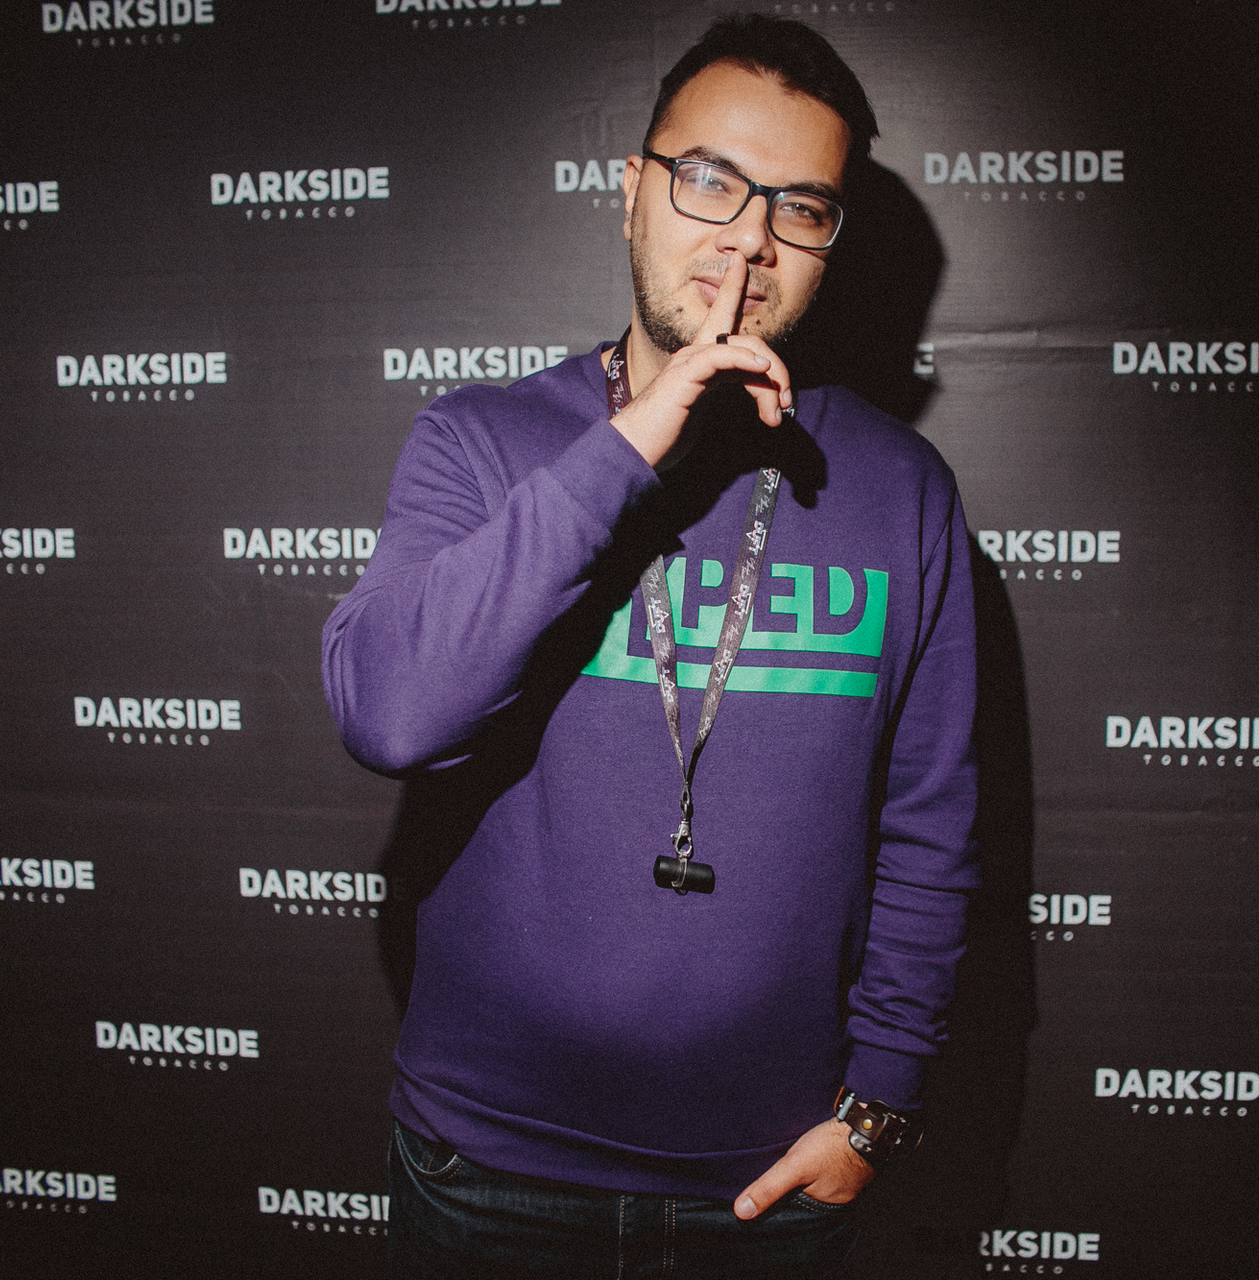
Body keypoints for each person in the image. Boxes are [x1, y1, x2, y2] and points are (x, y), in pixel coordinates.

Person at [322, 14, 978, 1277]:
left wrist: (878, 1110)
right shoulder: (482, 440)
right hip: (486, 1168)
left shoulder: (901, 489)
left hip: (770, 1186)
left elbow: (930, 821)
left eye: (800, 207)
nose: (749, 238)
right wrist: (632, 445)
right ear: (632, 190)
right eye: (711, 180)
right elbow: (390, 711)